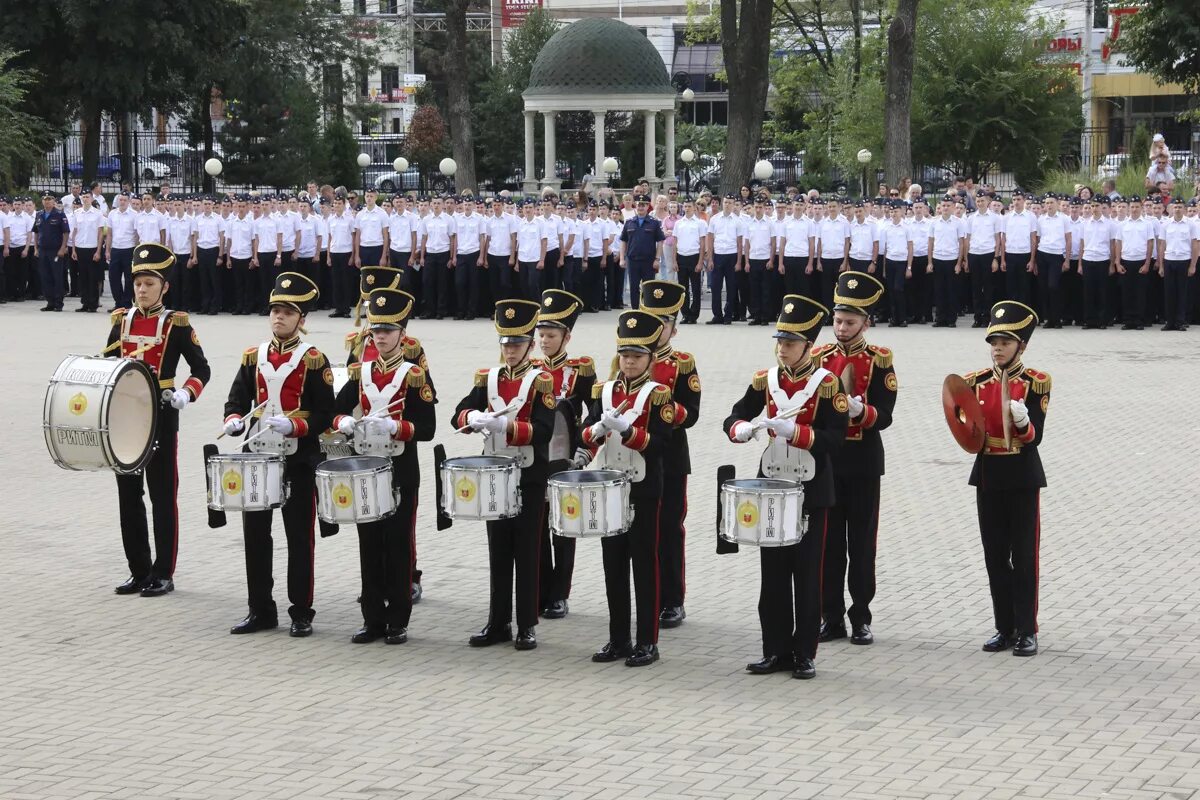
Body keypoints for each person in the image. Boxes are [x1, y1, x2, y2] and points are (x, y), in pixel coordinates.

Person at [723, 294, 849, 679]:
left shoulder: (827, 384)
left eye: (790, 343)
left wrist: (797, 433)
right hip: (772, 485)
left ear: (808, 345)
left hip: (812, 489)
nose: (782, 349)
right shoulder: (766, 379)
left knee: (807, 574)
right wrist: (740, 429)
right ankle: (774, 650)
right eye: (779, 341)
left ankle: (804, 653)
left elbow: (836, 439)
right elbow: (737, 414)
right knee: (773, 574)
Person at [223, 272, 336, 637]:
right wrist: (233, 420)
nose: (279, 317)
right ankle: (260, 610)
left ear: (302, 319)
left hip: (298, 460)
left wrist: (296, 426)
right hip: (258, 457)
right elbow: (236, 399)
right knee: (256, 535)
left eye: (287, 312)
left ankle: (301, 611)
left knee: (299, 537)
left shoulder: (314, 359)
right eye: (275, 311)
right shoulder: (253, 356)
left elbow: (326, 414)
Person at [105, 243, 211, 597]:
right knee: (128, 494)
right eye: (138, 283)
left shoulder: (176, 324)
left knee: (163, 495)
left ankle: (163, 572)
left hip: (162, 414)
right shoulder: (121, 321)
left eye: (149, 283)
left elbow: (202, 369)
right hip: (124, 416)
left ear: (164, 287)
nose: (141, 290)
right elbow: (106, 364)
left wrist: (186, 393)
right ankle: (138, 570)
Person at [333, 287, 436, 644]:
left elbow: (427, 428)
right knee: (369, 544)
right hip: (367, 468)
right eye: (376, 330)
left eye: (388, 331)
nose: (380, 336)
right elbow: (336, 411)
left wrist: (396, 427)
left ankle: (398, 619)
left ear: (402, 334)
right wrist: (344, 421)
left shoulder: (413, 375)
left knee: (397, 545)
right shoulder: (359, 372)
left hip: (400, 470)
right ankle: (372, 618)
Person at [452, 299, 556, 650]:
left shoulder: (541, 381)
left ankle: (526, 624)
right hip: (494, 475)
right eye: (506, 344)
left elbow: (544, 430)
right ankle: (498, 622)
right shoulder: (489, 378)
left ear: (529, 345)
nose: (510, 351)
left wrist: (507, 426)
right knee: (498, 550)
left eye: (517, 344)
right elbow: (459, 412)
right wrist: (471, 418)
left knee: (526, 551)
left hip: (528, 474)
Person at [580, 310, 673, 667]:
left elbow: (661, 445)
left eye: (636, 356)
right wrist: (596, 430)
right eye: (625, 355)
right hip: (609, 487)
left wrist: (629, 431)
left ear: (650, 358)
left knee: (644, 565)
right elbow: (586, 432)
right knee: (613, 565)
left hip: (643, 488)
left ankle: (647, 641)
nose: (629, 362)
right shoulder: (604, 391)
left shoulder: (658, 395)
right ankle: (618, 638)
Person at [812, 272, 896, 645]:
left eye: (849, 322)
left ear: (866, 323)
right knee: (829, 544)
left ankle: (861, 616)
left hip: (863, 461)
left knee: (862, 544)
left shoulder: (879, 360)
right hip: (828, 461)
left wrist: (863, 411)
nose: (842, 328)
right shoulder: (819, 358)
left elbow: (886, 414)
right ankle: (830, 617)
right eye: (838, 321)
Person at [963, 301, 1051, 657]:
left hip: (1022, 475)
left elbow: (1036, 436)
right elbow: (966, 430)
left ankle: (1027, 629)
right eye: (994, 342)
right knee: (995, 556)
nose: (997, 349)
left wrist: (1023, 423)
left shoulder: (1036, 382)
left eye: (1005, 342)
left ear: (1022, 346)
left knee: (1025, 556)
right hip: (988, 474)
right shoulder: (974, 382)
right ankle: (1004, 627)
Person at [638, 280, 701, 628]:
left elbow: (691, 413)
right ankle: (647, 596)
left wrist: (663, 408)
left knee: (669, 528)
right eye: (650, 319)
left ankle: (673, 600)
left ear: (674, 329)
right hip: (634, 457)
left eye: (663, 323)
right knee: (639, 530)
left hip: (670, 456)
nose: (656, 328)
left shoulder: (682, 364)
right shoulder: (627, 357)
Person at [530, 289, 595, 619]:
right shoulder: (530, 368)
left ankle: (560, 593)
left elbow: (596, 413)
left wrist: (587, 449)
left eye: (551, 336)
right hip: (534, 456)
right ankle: (541, 589)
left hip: (566, 457)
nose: (544, 341)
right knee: (537, 525)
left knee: (564, 527)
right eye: (541, 335)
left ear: (566, 337)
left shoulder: (580, 370)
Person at [1115, 196, 1155, 330]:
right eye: (1132, 207)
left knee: (1140, 293)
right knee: (1127, 292)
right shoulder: (1122, 225)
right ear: (1128, 208)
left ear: (1141, 208)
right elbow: (1118, 243)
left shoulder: (1147, 224)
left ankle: (1138, 320)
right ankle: (1128, 320)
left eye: (1137, 206)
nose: (1134, 209)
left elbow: (1150, 243)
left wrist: (1147, 263)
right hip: (1126, 261)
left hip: (1141, 261)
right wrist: (1117, 262)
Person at [619, 194, 665, 311]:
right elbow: (623, 241)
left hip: (649, 261)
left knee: (648, 288)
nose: (640, 207)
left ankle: (647, 311)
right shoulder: (629, 222)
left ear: (648, 206)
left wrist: (657, 259)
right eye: (639, 205)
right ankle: (635, 311)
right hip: (633, 260)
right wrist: (622, 258)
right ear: (635, 206)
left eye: (643, 205)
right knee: (633, 288)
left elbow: (660, 241)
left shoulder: (654, 223)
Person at [1158, 196, 1197, 331]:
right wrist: (1161, 265)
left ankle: (1180, 321)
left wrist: (1193, 265)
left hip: (1184, 260)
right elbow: (1162, 245)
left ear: (1184, 209)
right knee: (1169, 293)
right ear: (1171, 209)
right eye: (1175, 207)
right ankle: (1170, 322)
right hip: (1169, 260)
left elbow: (1194, 245)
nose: (1178, 209)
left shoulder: (1191, 224)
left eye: (1180, 207)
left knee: (1182, 292)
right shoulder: (1166, 224)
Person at [419, 196, 457, 319]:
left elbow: (452, 239)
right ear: (431, 205)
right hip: (430, 253)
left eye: (438, 203)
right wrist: (422, 257)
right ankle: (429, 310)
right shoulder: (426, 219)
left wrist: (451, 257)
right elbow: (424, 238)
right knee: (427, 282)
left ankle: (441, 311)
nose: (436, 205)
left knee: (442, 284)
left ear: (443, 205)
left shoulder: (449, 219)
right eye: (434, 203)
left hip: (443, 253)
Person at [69, 191, 105, 313]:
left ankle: (93, 304)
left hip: (92, 248)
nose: (85, 199)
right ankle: (84, 303)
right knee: (83, 277)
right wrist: (73, 249)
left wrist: (98, 251)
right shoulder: (77, 213)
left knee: (93, 278)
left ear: (92, 198)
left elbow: (100, 233)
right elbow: (75, 231)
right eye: (83, 197)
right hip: (80, 248)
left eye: (87, 197)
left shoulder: (97, 213)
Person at [33, 194, 69, 312]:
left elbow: (65, 232)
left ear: (53, 201)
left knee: (57, 277)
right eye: (45, 199)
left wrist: (63, 248)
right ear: (42, 201)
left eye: (49, 199)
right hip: (43, 250)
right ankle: (50, 302)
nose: (47, 201)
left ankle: (58, 303)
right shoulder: (39, 214)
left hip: (55, 250)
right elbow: (36, 232)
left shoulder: (59, 214)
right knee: (45, 276)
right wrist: (36, 248)